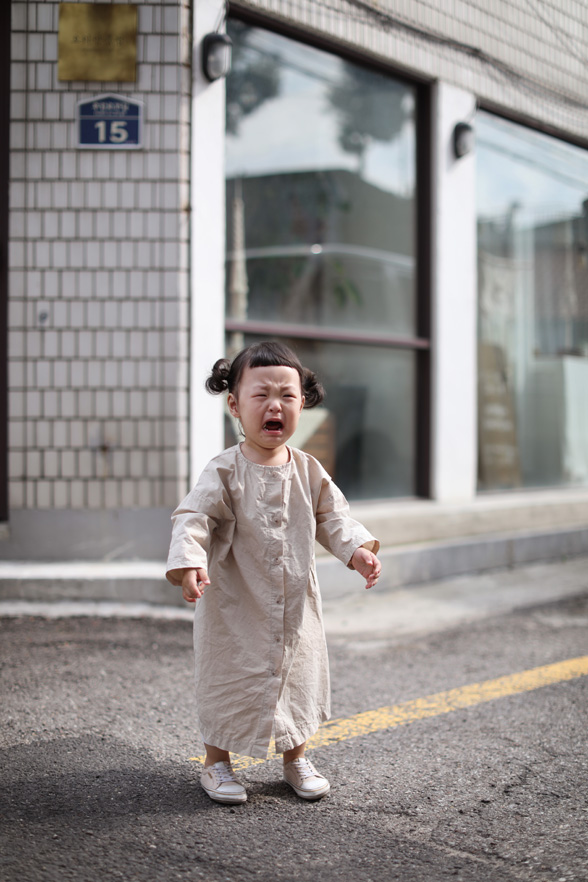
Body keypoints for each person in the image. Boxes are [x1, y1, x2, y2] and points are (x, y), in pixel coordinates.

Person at [166, 341, 381, 805]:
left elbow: (333, 517)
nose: (274, 405)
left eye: (287, 395)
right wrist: (190, 561)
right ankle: (216, 762)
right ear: (234, 405)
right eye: (260, 394)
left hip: (294, 605)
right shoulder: (224, 470)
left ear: (303, 403)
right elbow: (194, 518)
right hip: (235, 603)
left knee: (297, 676)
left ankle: (295, 758)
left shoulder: (308, 469)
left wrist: (356, 550)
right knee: (228, 676)